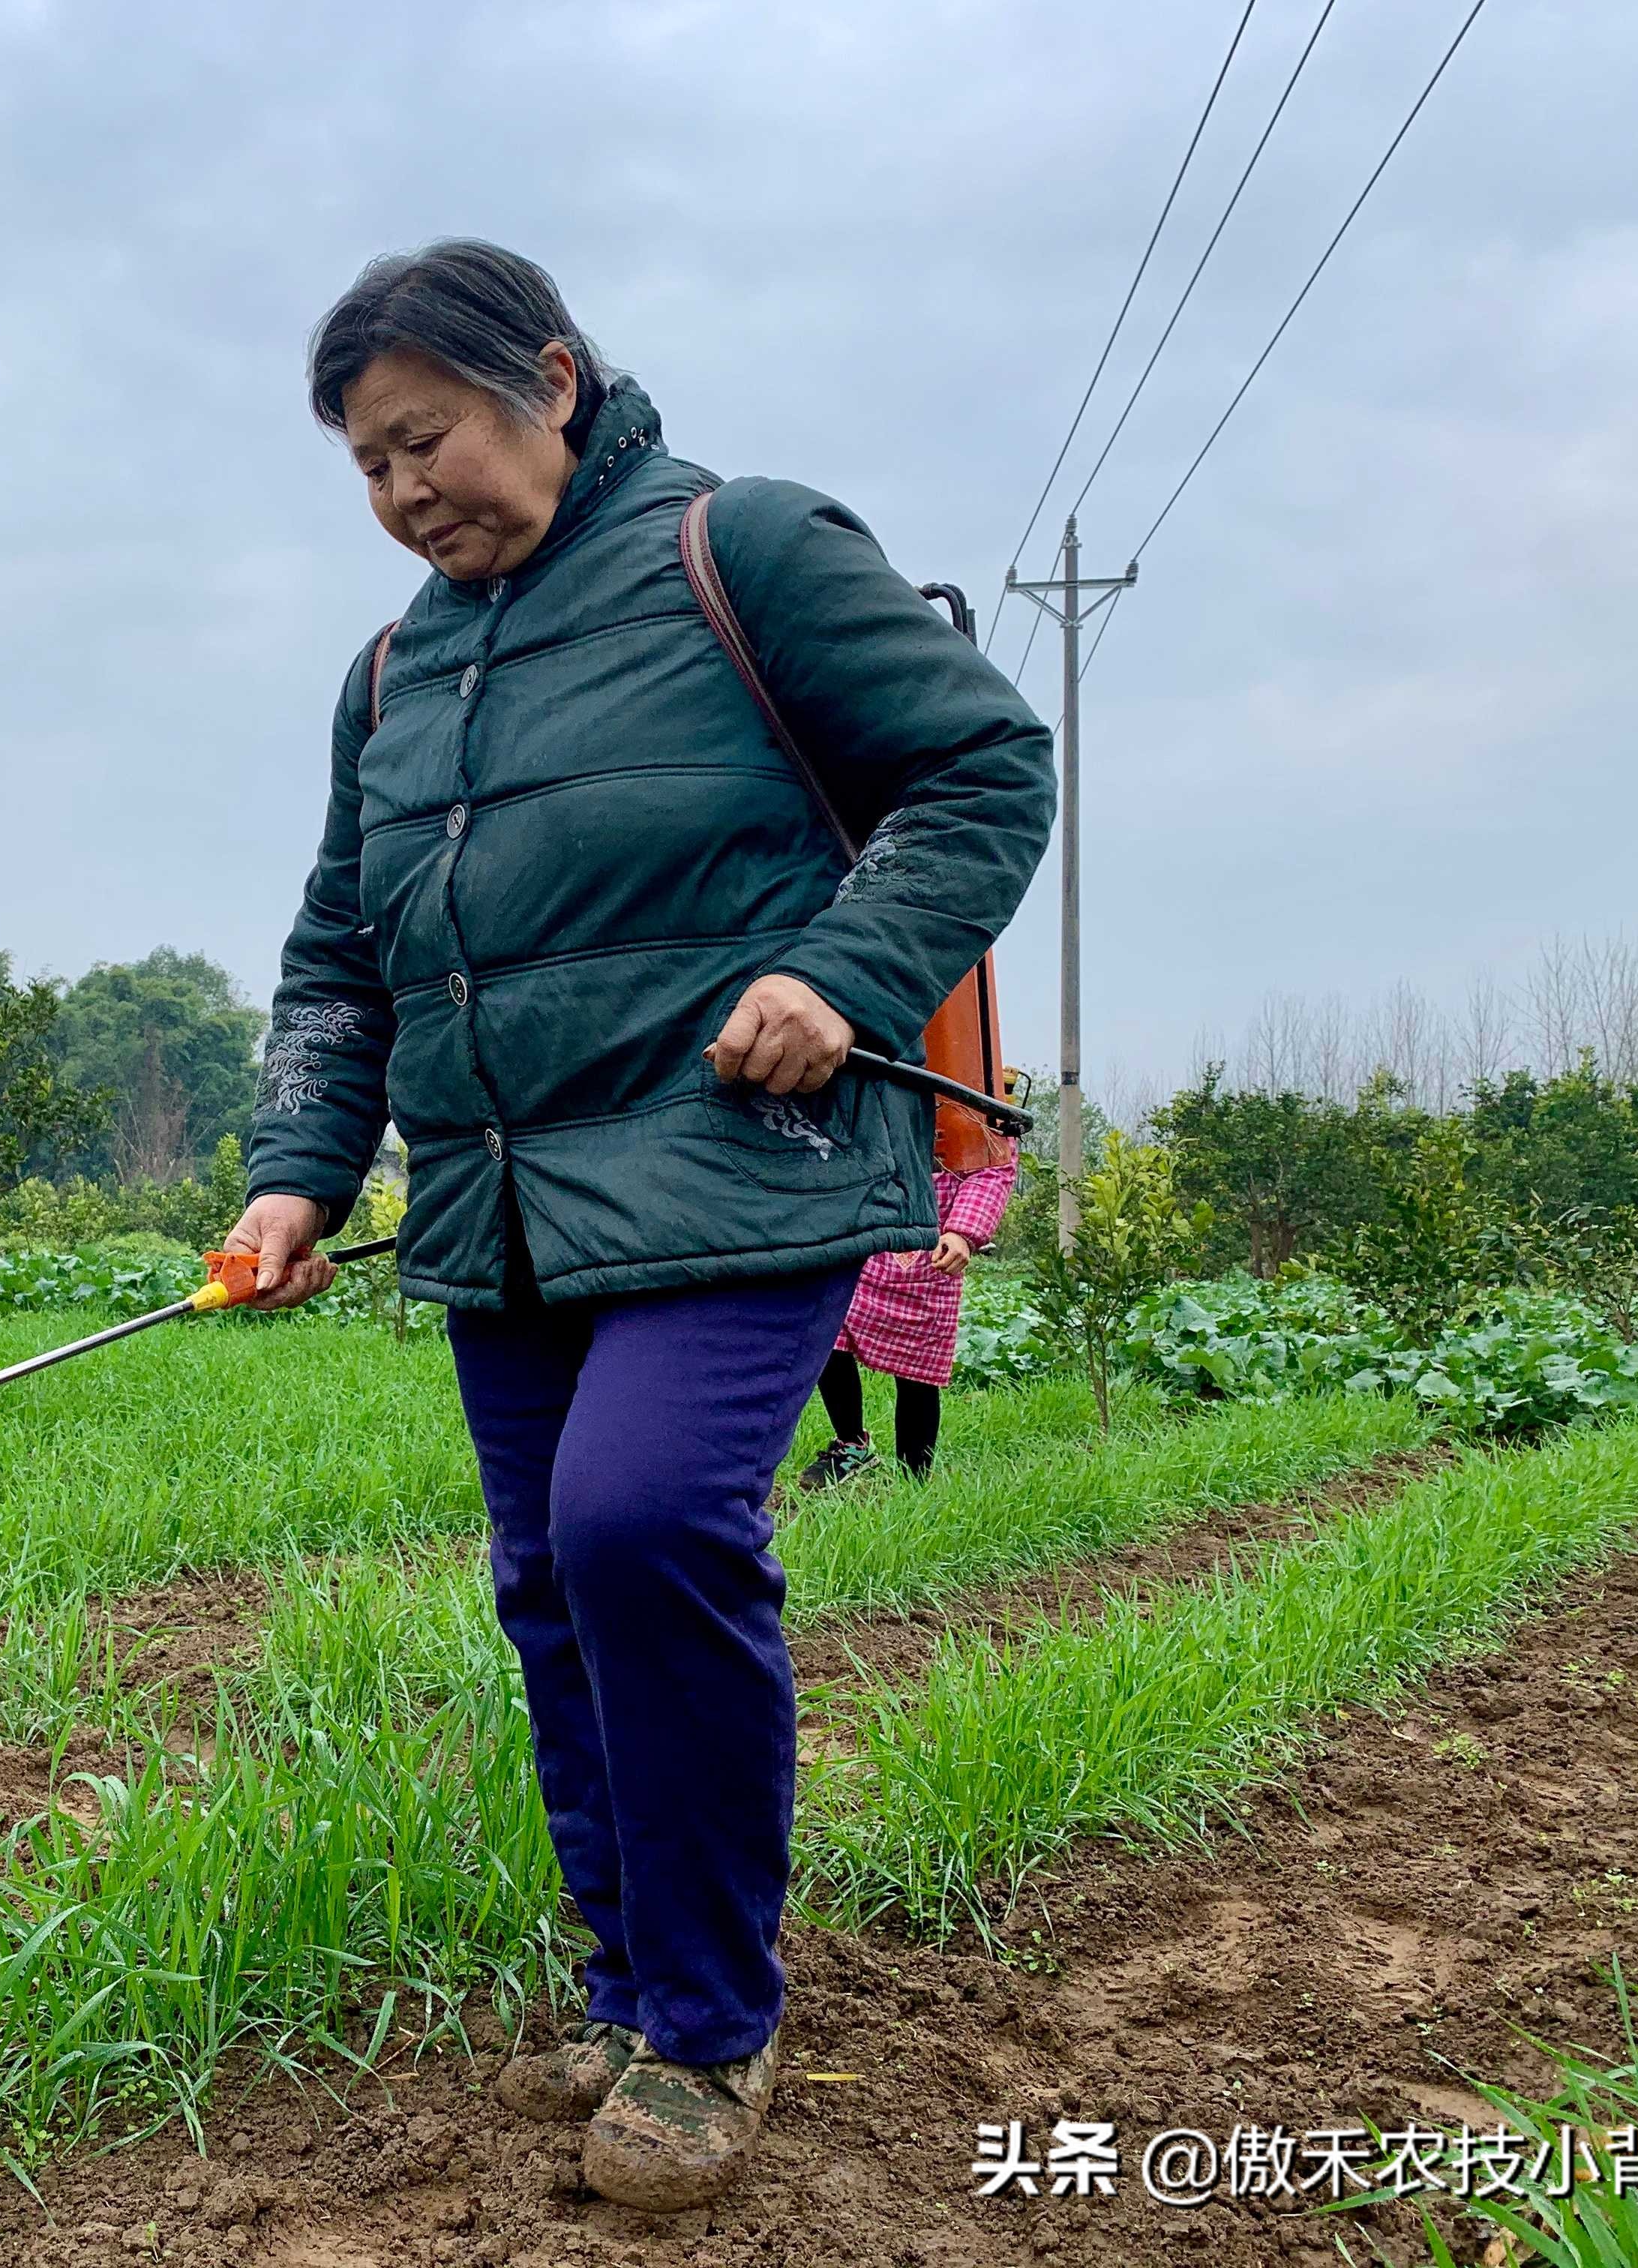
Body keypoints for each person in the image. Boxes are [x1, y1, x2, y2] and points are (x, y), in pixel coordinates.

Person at [222, 242, 1054, 2211]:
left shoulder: (740, 552)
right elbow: (346, 961)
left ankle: (704, 2025)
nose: (403, 489)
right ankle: (631, 1980)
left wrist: (847, 972)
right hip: (504, 1208)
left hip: (736, 1163)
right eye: (366, 465)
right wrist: (295, 1173)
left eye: (425, 437)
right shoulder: (393, 677)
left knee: (643, 1525)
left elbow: (982, 763)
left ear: (557, 384)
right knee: (549, 1584)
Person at [806, 1132, 1019, 1484]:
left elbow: (993, 1169)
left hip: (936, 1241)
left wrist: (964, 1232)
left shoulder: (973, 1094)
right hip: (867, 1230)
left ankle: (914, 1482)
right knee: (831, 1334)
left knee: (917, 1370)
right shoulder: (883, 1083)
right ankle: (851, 1445)